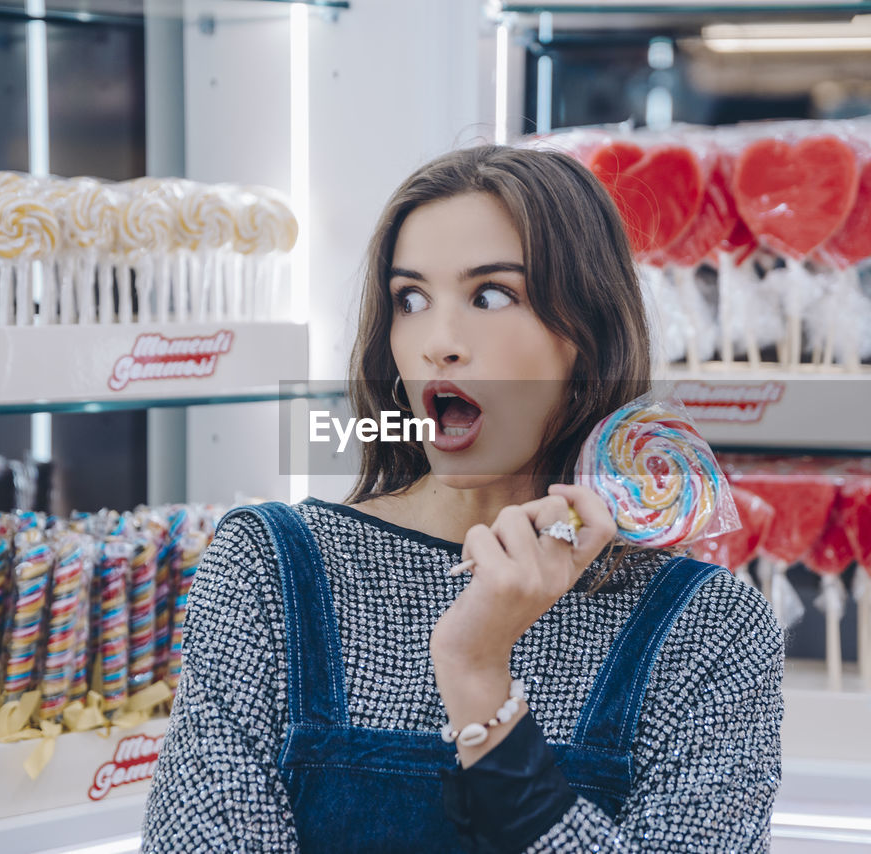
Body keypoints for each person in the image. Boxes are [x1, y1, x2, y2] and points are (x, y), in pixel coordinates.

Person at [142, 145, 783, 853]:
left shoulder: (709, 627)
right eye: (409, 299)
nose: (438, 344)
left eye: (490, 295)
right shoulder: (266, 568)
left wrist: (479, 679)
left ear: (587, 335)